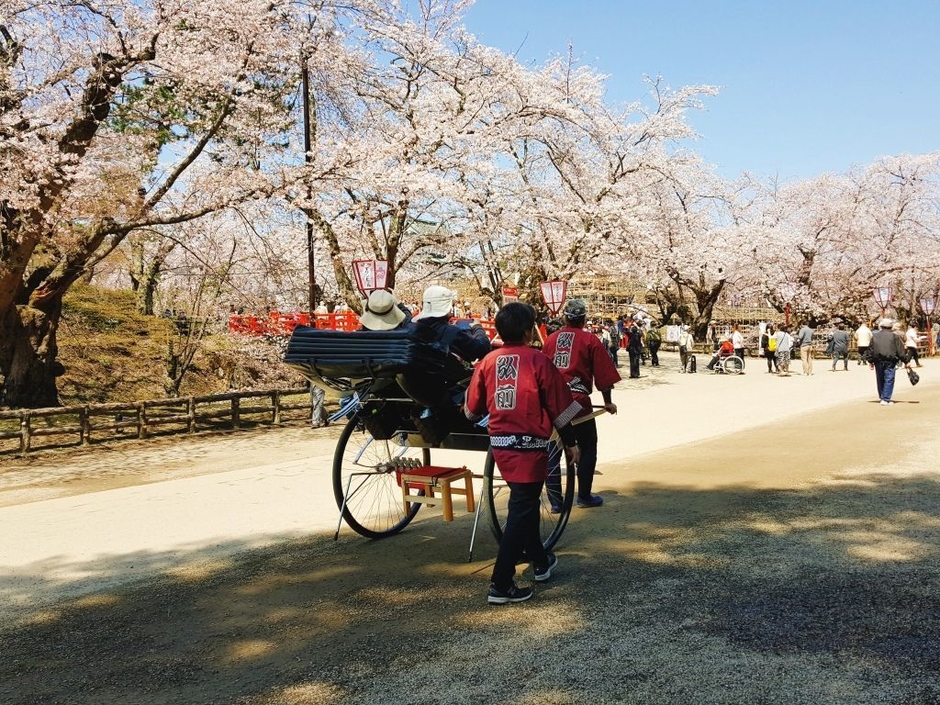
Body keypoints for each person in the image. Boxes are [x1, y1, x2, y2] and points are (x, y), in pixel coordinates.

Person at [464, 302, 581, 604]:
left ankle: (541, 562)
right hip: (530, 445)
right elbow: (560, 408)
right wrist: (571, 442)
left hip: (501, 445)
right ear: (530, 331)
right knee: (522, 508)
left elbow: (473, 407)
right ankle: (501, 583)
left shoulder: (487, 361)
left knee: (524, 504)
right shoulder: (539, 361)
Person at [542, 299, 620, 509]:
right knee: (588, 446)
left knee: (552, 449)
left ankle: (556, 502)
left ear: (565, 318)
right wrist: (608, 403)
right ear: (584, 319)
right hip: (577, 403)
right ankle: (584, 496)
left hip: (551, 402)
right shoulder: (589, 339)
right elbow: (603, 375)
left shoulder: (550, 340)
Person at [404, 285, 491, 443]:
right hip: (450, 391)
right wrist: (478, 328)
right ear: (446, 307)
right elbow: (482, 349)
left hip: (418, 387)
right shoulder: (452, 333)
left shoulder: (412, 331)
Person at [865, 317, 911, 405]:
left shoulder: (875, 336)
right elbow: (900, 351)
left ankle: (882, 396)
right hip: (890, 360)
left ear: (881, 326)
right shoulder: (894, 336)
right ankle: (885, 398)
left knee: (880, 378)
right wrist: (906, 361)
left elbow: (870, 349)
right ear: (891, 327)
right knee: (889, 378)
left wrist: (870, 360)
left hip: (878, 360)